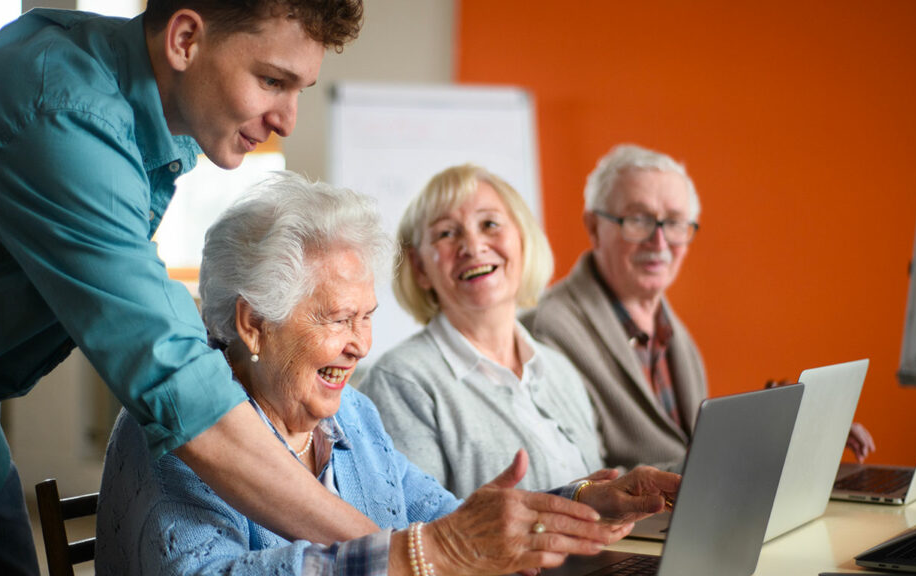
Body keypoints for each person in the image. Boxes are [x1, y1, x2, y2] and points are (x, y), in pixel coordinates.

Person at [0, 2, 378, 574]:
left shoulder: (148, 106)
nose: (287, 119)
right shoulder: (63, 113)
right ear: (186, 39)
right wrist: (408, 553)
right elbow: (175, 381)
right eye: (272, 80)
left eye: (301, 89)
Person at [96, 171, 682, 575]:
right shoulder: (180, 428)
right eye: (338, 319)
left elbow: (453, 525)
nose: (359, 346)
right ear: (253, 325)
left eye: (368, 318)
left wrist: (583, 503)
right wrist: (423, 559)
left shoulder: (352, 416)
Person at [521, 143, 876, 472]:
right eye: (638, 220)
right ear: (594, 227)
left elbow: (686, 452)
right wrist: (761, 445)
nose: (659, 241)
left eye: (674, 223)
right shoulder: (550, 331)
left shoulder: (669, 329)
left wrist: (781, 426)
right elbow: (585, 480)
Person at [360, 164, 602, 498]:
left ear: (522, 240)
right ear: (420, 268)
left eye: (489, 224)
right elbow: (422, 531)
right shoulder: (400, 381)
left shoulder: (561, 371)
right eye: (447, 233)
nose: (472, 247)